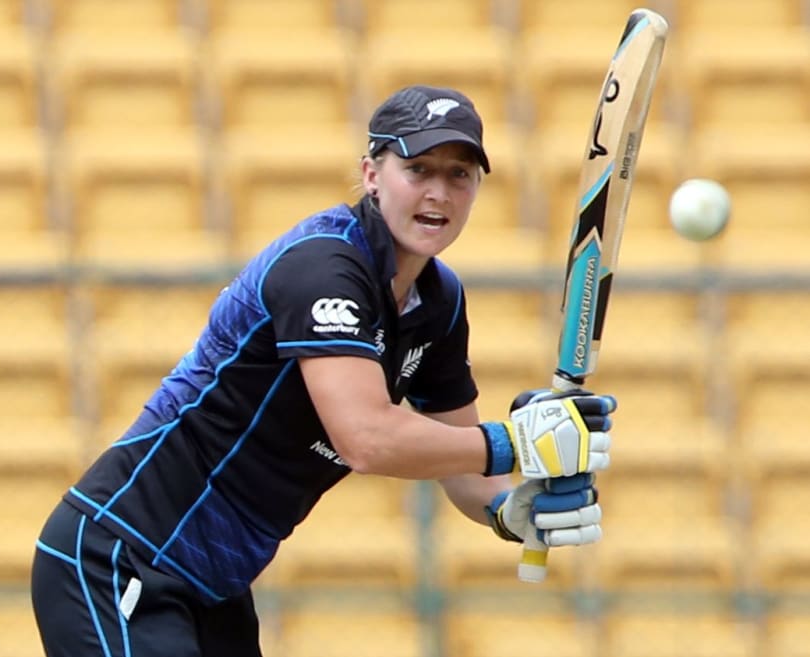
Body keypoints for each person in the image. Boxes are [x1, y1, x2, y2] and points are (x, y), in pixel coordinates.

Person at [30, 85, 617, 657]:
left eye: (459, 174)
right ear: (371, 173)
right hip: (121, 556)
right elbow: (367, 438)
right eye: (419, 170)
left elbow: (461, 459)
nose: (439, 192)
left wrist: (506, 511)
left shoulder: (439, 300)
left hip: (214, 583)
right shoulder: (324, 267)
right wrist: (517, 442)